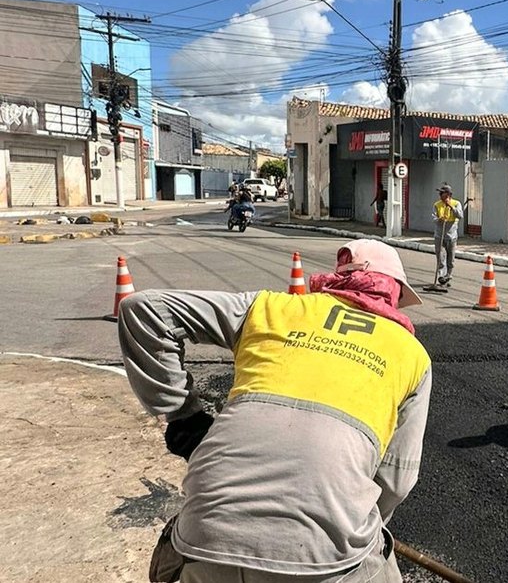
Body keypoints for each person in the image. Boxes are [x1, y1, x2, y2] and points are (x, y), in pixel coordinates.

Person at [118, 239, 431, 583]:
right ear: (394, 292)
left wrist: (185, 417)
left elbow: (144, 309)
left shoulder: (270, 308)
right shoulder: (411, 355)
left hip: (207, 532)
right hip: (322, 558)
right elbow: (397, 482)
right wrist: (354, 520)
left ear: (337, 279)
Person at [430, 183, 464, 288]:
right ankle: (441, 275)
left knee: (451, 258)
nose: (440, 195)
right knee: (440, 256)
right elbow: (433, 217)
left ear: (448, 194)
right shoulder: (437, 204)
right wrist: (438, 220)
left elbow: (460, 215)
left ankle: (448, 275)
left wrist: (450, 206)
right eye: (440, 193)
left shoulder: (456, 203)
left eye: (442, 193)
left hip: (452, 236)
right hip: (439, 236)